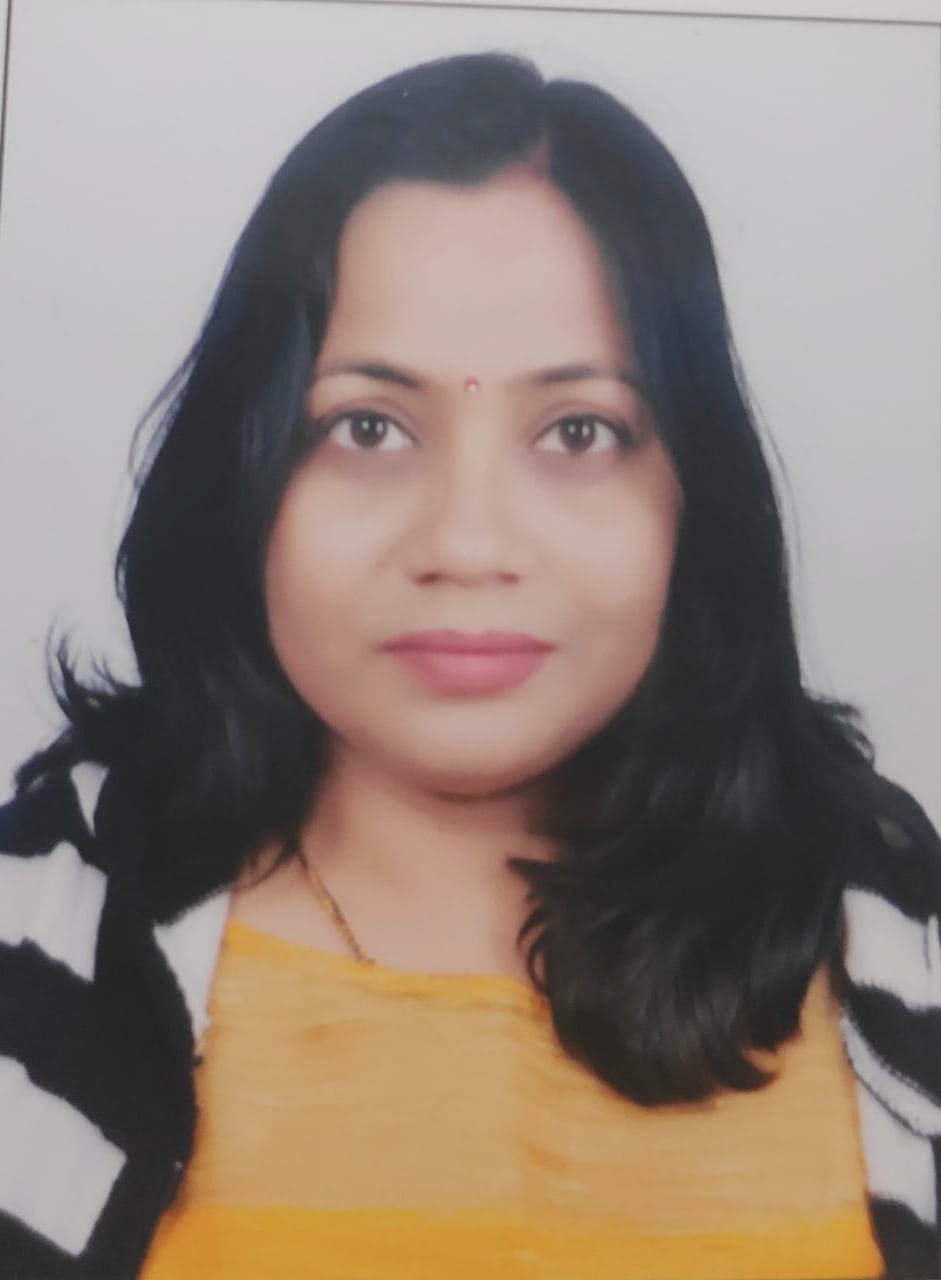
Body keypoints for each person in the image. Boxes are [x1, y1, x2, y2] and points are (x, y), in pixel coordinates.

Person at [0, 49, 938, 1280]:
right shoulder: (40, 915)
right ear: (246, 471)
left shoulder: (889, 922)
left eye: (578, 430)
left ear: (691, 494)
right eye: (368, 426)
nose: (467, 542)